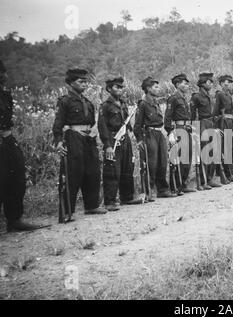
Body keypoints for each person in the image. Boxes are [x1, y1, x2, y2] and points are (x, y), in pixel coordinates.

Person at [53, 69, 107, 218]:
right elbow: (57, 124)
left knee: (93, 171)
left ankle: (92, 206)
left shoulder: (88, 102)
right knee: (72, 172)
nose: (84, 84)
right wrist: (58, 142)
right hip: (73, 138)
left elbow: (92, 122)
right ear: (71, 83)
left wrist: (93, 132)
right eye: (80, 82)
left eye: (85, 82)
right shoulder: (65, 101)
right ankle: (66, 211)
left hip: (88, 139)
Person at [0, 60, 43, 232]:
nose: (4, 76)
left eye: (3, 73)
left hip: (7, 140)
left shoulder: (5, 95)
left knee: (16, 180)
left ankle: (14, 220)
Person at [98, 77, 142, 211]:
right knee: (112, 170)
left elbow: (127, 123)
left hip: (125, 139)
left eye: (121, 87)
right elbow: (102, 126)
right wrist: (108, 145)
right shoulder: (105, 106)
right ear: (109, 89)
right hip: (113, 138)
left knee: (127, 167)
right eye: (117, 87)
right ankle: (110, 201)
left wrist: (131, 136)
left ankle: (127, 197)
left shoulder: (123, 104)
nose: (120, 90)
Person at [134, 76, 177, 198]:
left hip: (159, 133)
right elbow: (137, 125)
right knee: (151, 164)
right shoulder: (143, 104)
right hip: (149, 134)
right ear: (148, 88)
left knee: (163, 162)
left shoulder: (156, 102)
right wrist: (140, 140)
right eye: (155, 87)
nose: (159, 89)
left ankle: (162, 190)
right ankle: (148, 191)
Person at [165, 73, 197, 195]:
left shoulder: (183, 98)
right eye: (184, 83)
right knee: (177, 159)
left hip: (186, 128)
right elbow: (167, 118)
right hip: (177, 129)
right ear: (177, 85)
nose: (187, 85)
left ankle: (183, 185)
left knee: (186, 158)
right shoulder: (173, 99)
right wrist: (170, 133)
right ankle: (174, 187)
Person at [190, 73, 222, 189]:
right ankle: (203, 181)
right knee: (204, 151)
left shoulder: (209, 96)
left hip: (211, 124)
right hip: (202, 124)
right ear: (203, 84)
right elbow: (193, 115)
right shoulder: (196, 97)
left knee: (212, 151)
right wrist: (194, 130)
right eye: (209, 82)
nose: (211, 84)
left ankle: (210, 178)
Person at [215, 75, 233, 183]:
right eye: (225, 83)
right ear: (221, 84)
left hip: (230, 122)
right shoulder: (219, 94)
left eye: (229, 83)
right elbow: (216, 112)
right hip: (223, 123)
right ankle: (224, 174)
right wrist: (216, 126)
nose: (227, 85)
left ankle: (230, 173)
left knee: (231, 148)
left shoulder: (230, 95)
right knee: (225, 149)